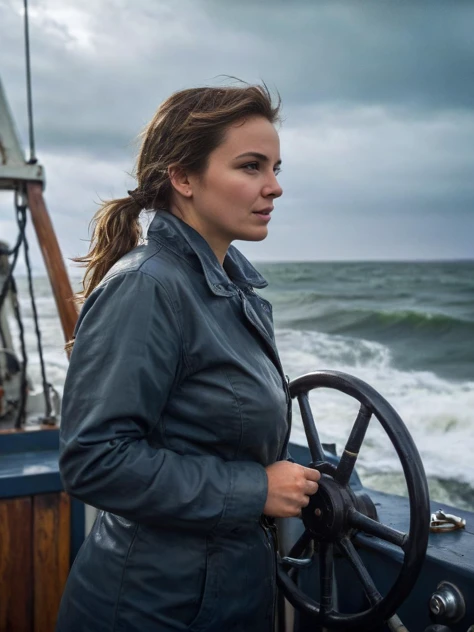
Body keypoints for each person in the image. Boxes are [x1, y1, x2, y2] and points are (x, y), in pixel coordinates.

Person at [56, 83, 321, 632]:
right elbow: (94, 459)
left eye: (275, 167)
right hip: (151, 608)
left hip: (223, 596)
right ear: (183, 178)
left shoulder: (232, 291)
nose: (274, 187)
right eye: (251, 167)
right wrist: (258, 489)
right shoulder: (148, 287)